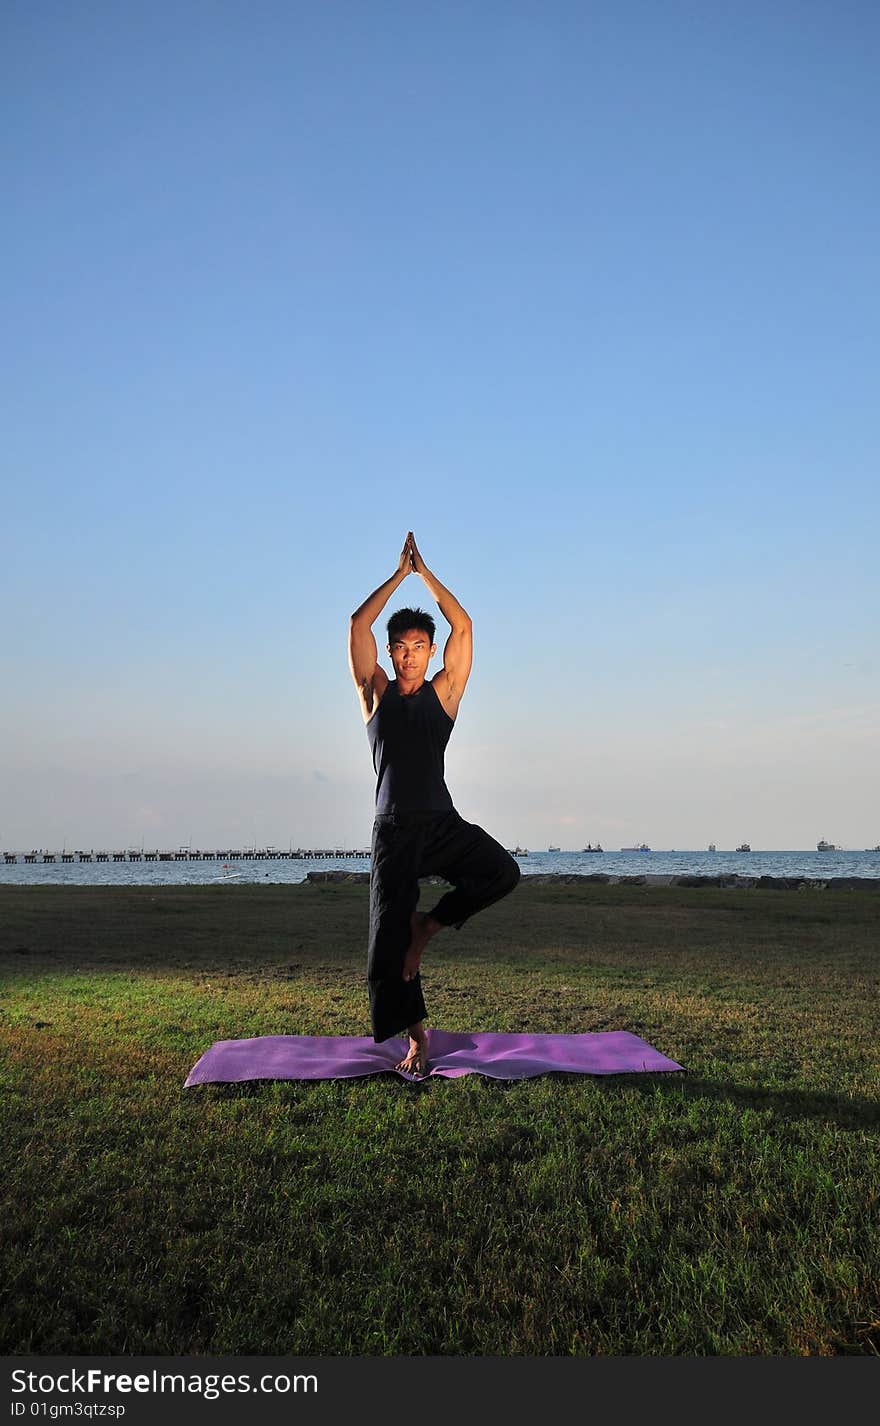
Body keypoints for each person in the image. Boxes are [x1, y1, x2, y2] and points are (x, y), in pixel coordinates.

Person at [348, 531, 520, 1076]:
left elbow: (463, 626)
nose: (409, 656)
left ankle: (431, 926)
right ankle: (418, 1039)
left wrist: (424, 573)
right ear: (391, 650)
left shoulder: (444, 693)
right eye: (401, 647)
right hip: (393, 831)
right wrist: (397, 576)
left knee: (502, 872)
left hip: (441, 823)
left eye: (420, 646)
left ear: (430, 651)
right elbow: (357, 626)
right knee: (385, 951)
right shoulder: (374, 691)